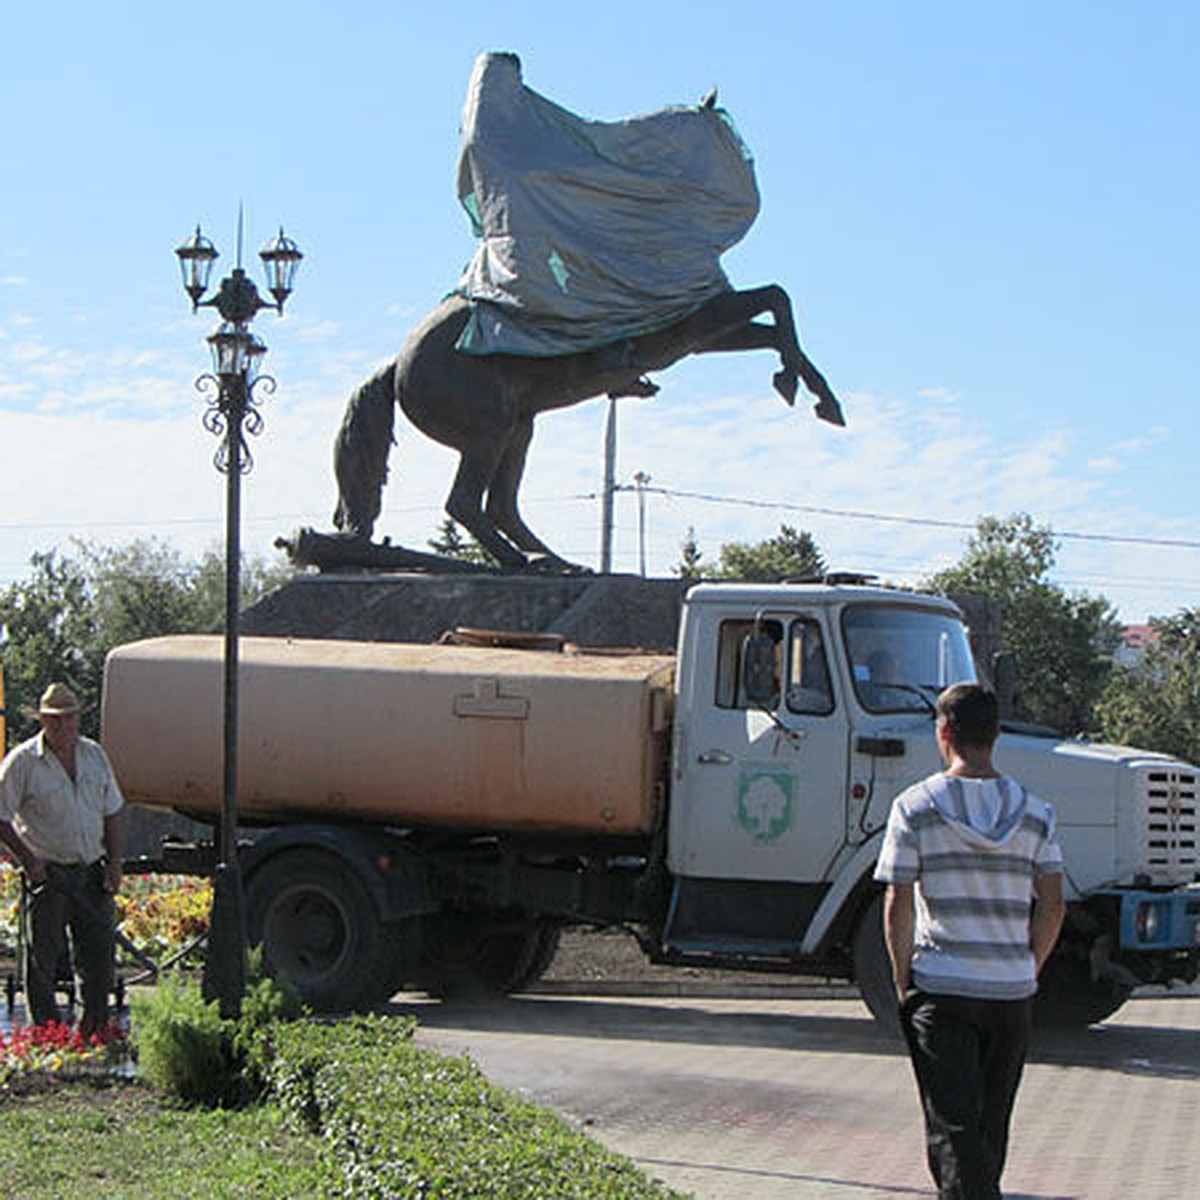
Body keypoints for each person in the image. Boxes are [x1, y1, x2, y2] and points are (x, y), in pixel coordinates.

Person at [874, 682, 1065, 1200]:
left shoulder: (914, 807)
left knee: (952, 1125)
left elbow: (899, 901)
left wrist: (902, 979)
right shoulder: (1036, 812)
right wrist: (1028, 966)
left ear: (944, 732)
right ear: (996, 735)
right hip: (1010, 993)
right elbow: (1053, 904)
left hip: (943, 988)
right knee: (989, 1127)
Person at [0, 682, 125, 1035]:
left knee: (99, 956)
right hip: (48, 872)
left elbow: (113, 809)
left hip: (91, 871)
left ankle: (95, 1029)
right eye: (55, 720)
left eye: (69, 719)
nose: (63, 727)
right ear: (42, 720)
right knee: (43, 958)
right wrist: (28, 861)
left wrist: (115, 862)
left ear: (77, 719)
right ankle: (46, 1032)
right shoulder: (22, 761)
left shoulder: (94, 755)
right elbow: (1, 815)